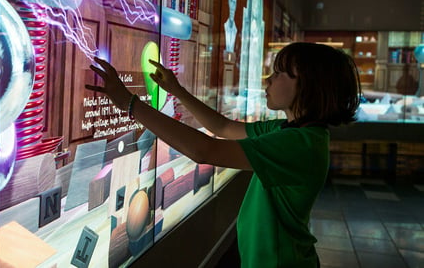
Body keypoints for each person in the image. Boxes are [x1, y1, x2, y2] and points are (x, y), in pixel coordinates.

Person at [85, 42, 361, 268]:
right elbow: (222, 127)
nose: (269, 79)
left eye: (279, 73)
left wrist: (130, 104)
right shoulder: (288, 130)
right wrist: (177, 90)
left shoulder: (297, 144)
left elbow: (205, 150)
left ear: (307, 85)